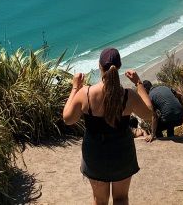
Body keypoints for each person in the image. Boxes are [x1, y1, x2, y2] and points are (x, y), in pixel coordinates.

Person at [62, 48, 153, 205]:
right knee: (121, 199)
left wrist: (75, 87)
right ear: (119, 67)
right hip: (122, 153)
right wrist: (138, 83)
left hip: (95, 154)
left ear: (99, 66)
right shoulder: (128, 95)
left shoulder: (86, 93)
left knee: (99, 200)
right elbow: (149, 114)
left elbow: (68, 119)